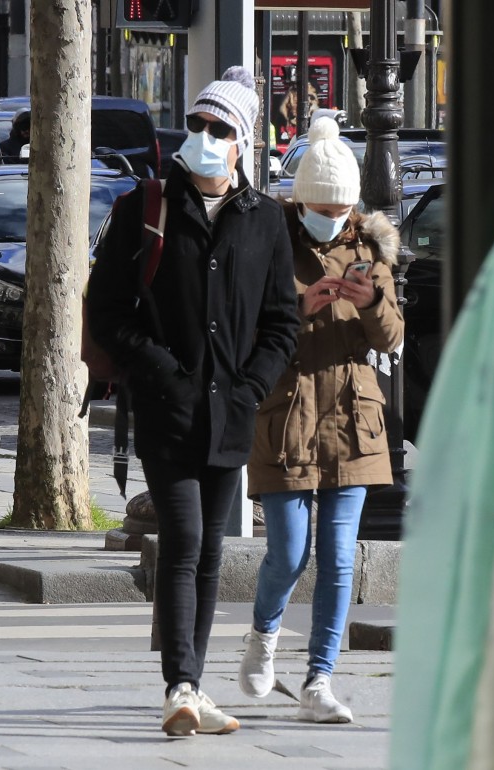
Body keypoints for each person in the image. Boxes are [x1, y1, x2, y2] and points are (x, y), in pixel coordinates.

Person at [86, 66, 299, 736]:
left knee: (210, 552)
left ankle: (192, 685)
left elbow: (282, 322)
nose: (204, 136)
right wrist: (158, 370)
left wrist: (250, 385)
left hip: (228, 413)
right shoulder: (143, 207)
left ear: (242, 142)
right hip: (164, 409)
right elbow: (108, 310)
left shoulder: (265, 219)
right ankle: (179, 683)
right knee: (184, 540)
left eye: (220, 129)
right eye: (198, 124)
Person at [238, 116, 404, 723]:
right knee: (288, 553)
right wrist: (298, 309)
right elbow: (243, 334)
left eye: (340, 209)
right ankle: (262, 638)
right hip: (285, 419)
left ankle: (319, 680)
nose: (330, 217)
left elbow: (392, 339)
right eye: (319, 207)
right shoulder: (268, 242)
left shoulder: (369, 250)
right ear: (300, 199)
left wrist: (373, 303)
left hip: (353, 422)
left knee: (337, 559)